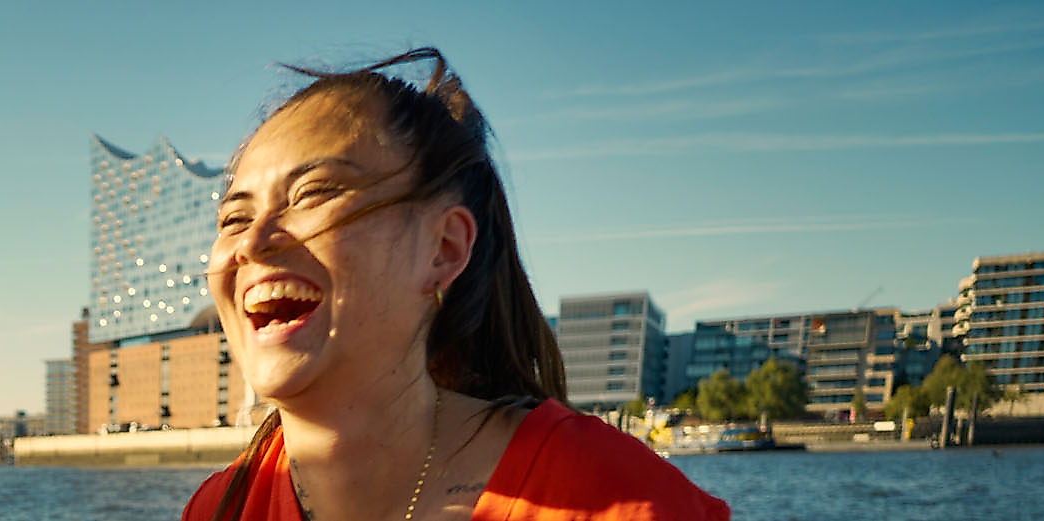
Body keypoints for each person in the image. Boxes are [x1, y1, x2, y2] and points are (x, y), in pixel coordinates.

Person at [183, 48, 727, 521]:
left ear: (444, 248)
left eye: (313, 194)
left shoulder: (613, 498)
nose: (252, 244)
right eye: (233, 219)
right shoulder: (217, 509)